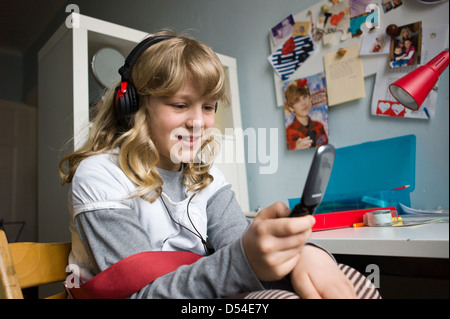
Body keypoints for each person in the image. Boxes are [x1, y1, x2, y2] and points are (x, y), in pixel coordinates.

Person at [59, 30, 359, 299]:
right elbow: (140, 294)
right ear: (135, 106)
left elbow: (235, 246)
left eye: (208, 106)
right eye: (179, 105)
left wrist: (302, 254)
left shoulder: (208, 176)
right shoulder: (100, 176)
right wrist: (246, 260)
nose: (198, 122)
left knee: (349, 278)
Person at [285, 79, 328, 150]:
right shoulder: (288, 133)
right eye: (297, 100)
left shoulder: (319, 126)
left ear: (310, 98)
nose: (303, 103)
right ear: (291, 107)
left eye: (305, 97)